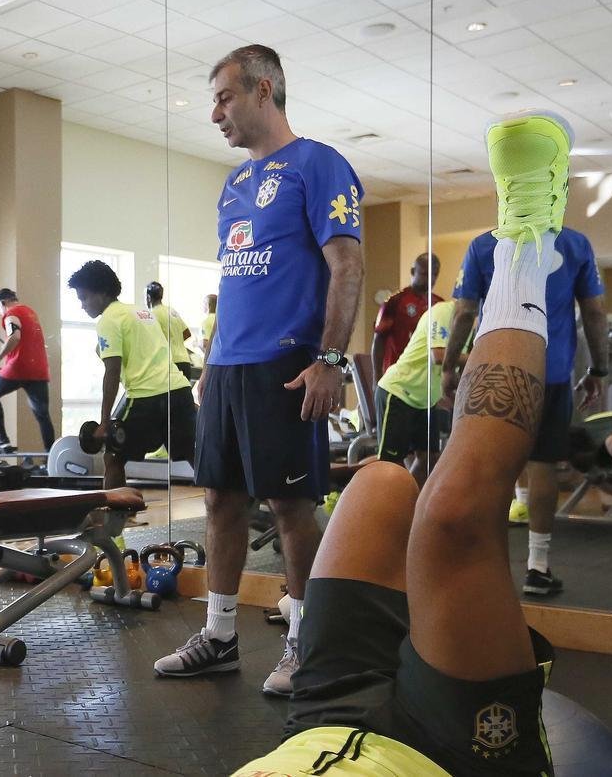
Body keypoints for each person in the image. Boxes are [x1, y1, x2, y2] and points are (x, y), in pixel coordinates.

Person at [233, 108, 568, 777]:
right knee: (454, 510)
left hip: (317, 723)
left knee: (381, 484)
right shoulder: (413, 308)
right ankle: (529, 240)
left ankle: (427, 613)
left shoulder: (437, 304)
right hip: (437, 755)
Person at [154, 44, 364, 696]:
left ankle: (305, 641)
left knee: (291, 504)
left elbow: (347, 267)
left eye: (224, 96)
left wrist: (330, 360)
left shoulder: (318, 164)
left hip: (287, 363)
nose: (214, 111)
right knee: (220, 499)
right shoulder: (234, 184)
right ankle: (218, 635)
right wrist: (211, 363)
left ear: (264, 89)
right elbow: (234, 280)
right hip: (230, 367)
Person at [444, 223, 606, 596]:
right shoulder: (575, 243)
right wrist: (599, 369)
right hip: (549, 371)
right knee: (543, 464)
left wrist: (451, 366)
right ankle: (538, 566)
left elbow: (464, 314)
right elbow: (595, 313)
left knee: (490, 467)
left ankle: (483, 566)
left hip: (496, 370)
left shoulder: (483, 244)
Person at [66, 261, 195, 490]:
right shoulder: (141, 312)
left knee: (113, 458)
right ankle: (231, 512)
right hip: (179, 390)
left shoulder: (108, 320)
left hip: (146, 397)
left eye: (84, 298)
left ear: (102, 293)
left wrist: (105, 423)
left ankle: (113, 521)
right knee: (194, 456)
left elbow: (112, 372)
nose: (83, 305)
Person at [374, 299, 455, 484]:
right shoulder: (444, 311)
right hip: (399, 391)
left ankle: (411, 505)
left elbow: (450, 370)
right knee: (391, 463)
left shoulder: (470, 325)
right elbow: (439, 355)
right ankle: (390, 507)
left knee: (429, 458)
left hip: (425, 399)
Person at [0, 288, 55, 452]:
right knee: (42, 415)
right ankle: (51, 457)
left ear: (3, 303)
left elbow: (14, 336)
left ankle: (3, 440)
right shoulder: (30, 312)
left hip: (19, 367)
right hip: (39, 370)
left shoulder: (11, 314)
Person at [372, 253, 442, 390]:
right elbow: (379, 339)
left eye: (434, 274)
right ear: (412, 272)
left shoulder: (439, 304)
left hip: (426, 381)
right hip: (397, 378)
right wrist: (376, 377)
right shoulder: (395, 301)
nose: (430, 279)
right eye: (425, 274)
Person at [145, 281, 193, 379]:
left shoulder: (152, 314)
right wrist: (175, 341)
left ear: (148, 298)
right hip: (185, 361)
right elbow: (187, 333)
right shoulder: (172, 311)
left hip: (169, 364)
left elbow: (151, 341)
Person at [198, 294, 217, 360]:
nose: (202, 305)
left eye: (204, 303)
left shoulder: (206, 321)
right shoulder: (220, 320)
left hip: (211, 359)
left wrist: (197, 343)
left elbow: (205, 344)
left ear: (208, 305)